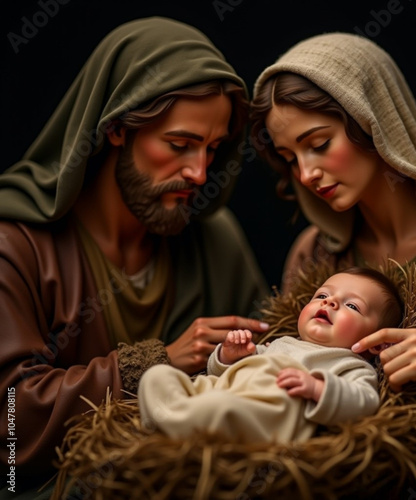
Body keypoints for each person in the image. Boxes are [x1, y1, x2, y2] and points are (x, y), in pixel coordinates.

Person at [0, 17, 270, 493]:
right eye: (180, 145)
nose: (200, 173)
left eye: (213, 148)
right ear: (117, 128)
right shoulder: (17, 246)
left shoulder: (215, 241)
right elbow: (11, 426)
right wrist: (157, 363)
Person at [249, 32, 416, 497]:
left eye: (319, 143)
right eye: (289, 158)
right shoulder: (314, 255)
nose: (305, 174)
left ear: (375, 121)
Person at [138, 267, 403, 444]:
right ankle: (175, 416)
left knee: (221, 407)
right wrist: (229, 357)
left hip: (263, 411)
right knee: (157, 375)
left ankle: (174, 424)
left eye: (352, 305)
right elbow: (219, 373)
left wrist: (318, 388)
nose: (329, 302)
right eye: (322, 295)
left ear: (375, 344)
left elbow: (366, 402)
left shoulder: (351, 365)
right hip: (224, 390)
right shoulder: (281, 343)